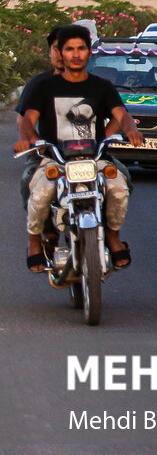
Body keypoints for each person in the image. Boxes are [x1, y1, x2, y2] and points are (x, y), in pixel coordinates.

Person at [17, 25, 145, 273]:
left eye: (81, 49)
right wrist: (28, 139)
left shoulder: (102, 86)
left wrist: (131, 130)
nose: (75, 54)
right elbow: (28, 119)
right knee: (41, 191)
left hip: (94, 158)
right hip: (56, 159)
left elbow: (121, 114)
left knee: (118, 187)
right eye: (69, 49)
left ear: (89, 52)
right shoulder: (44, 87)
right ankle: (35, 241)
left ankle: (112, 235)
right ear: (60, 54)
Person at [14, 27, 65, 210]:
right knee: (29, 180)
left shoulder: (96, 84)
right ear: (50, 52)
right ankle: (40, 234)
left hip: (88, 154)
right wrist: (38, 143)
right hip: (50, 154)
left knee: (121, 177)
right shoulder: (38, 84)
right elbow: (23, 121)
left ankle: (109, 231)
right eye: (56, 48)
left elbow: (117, 117)